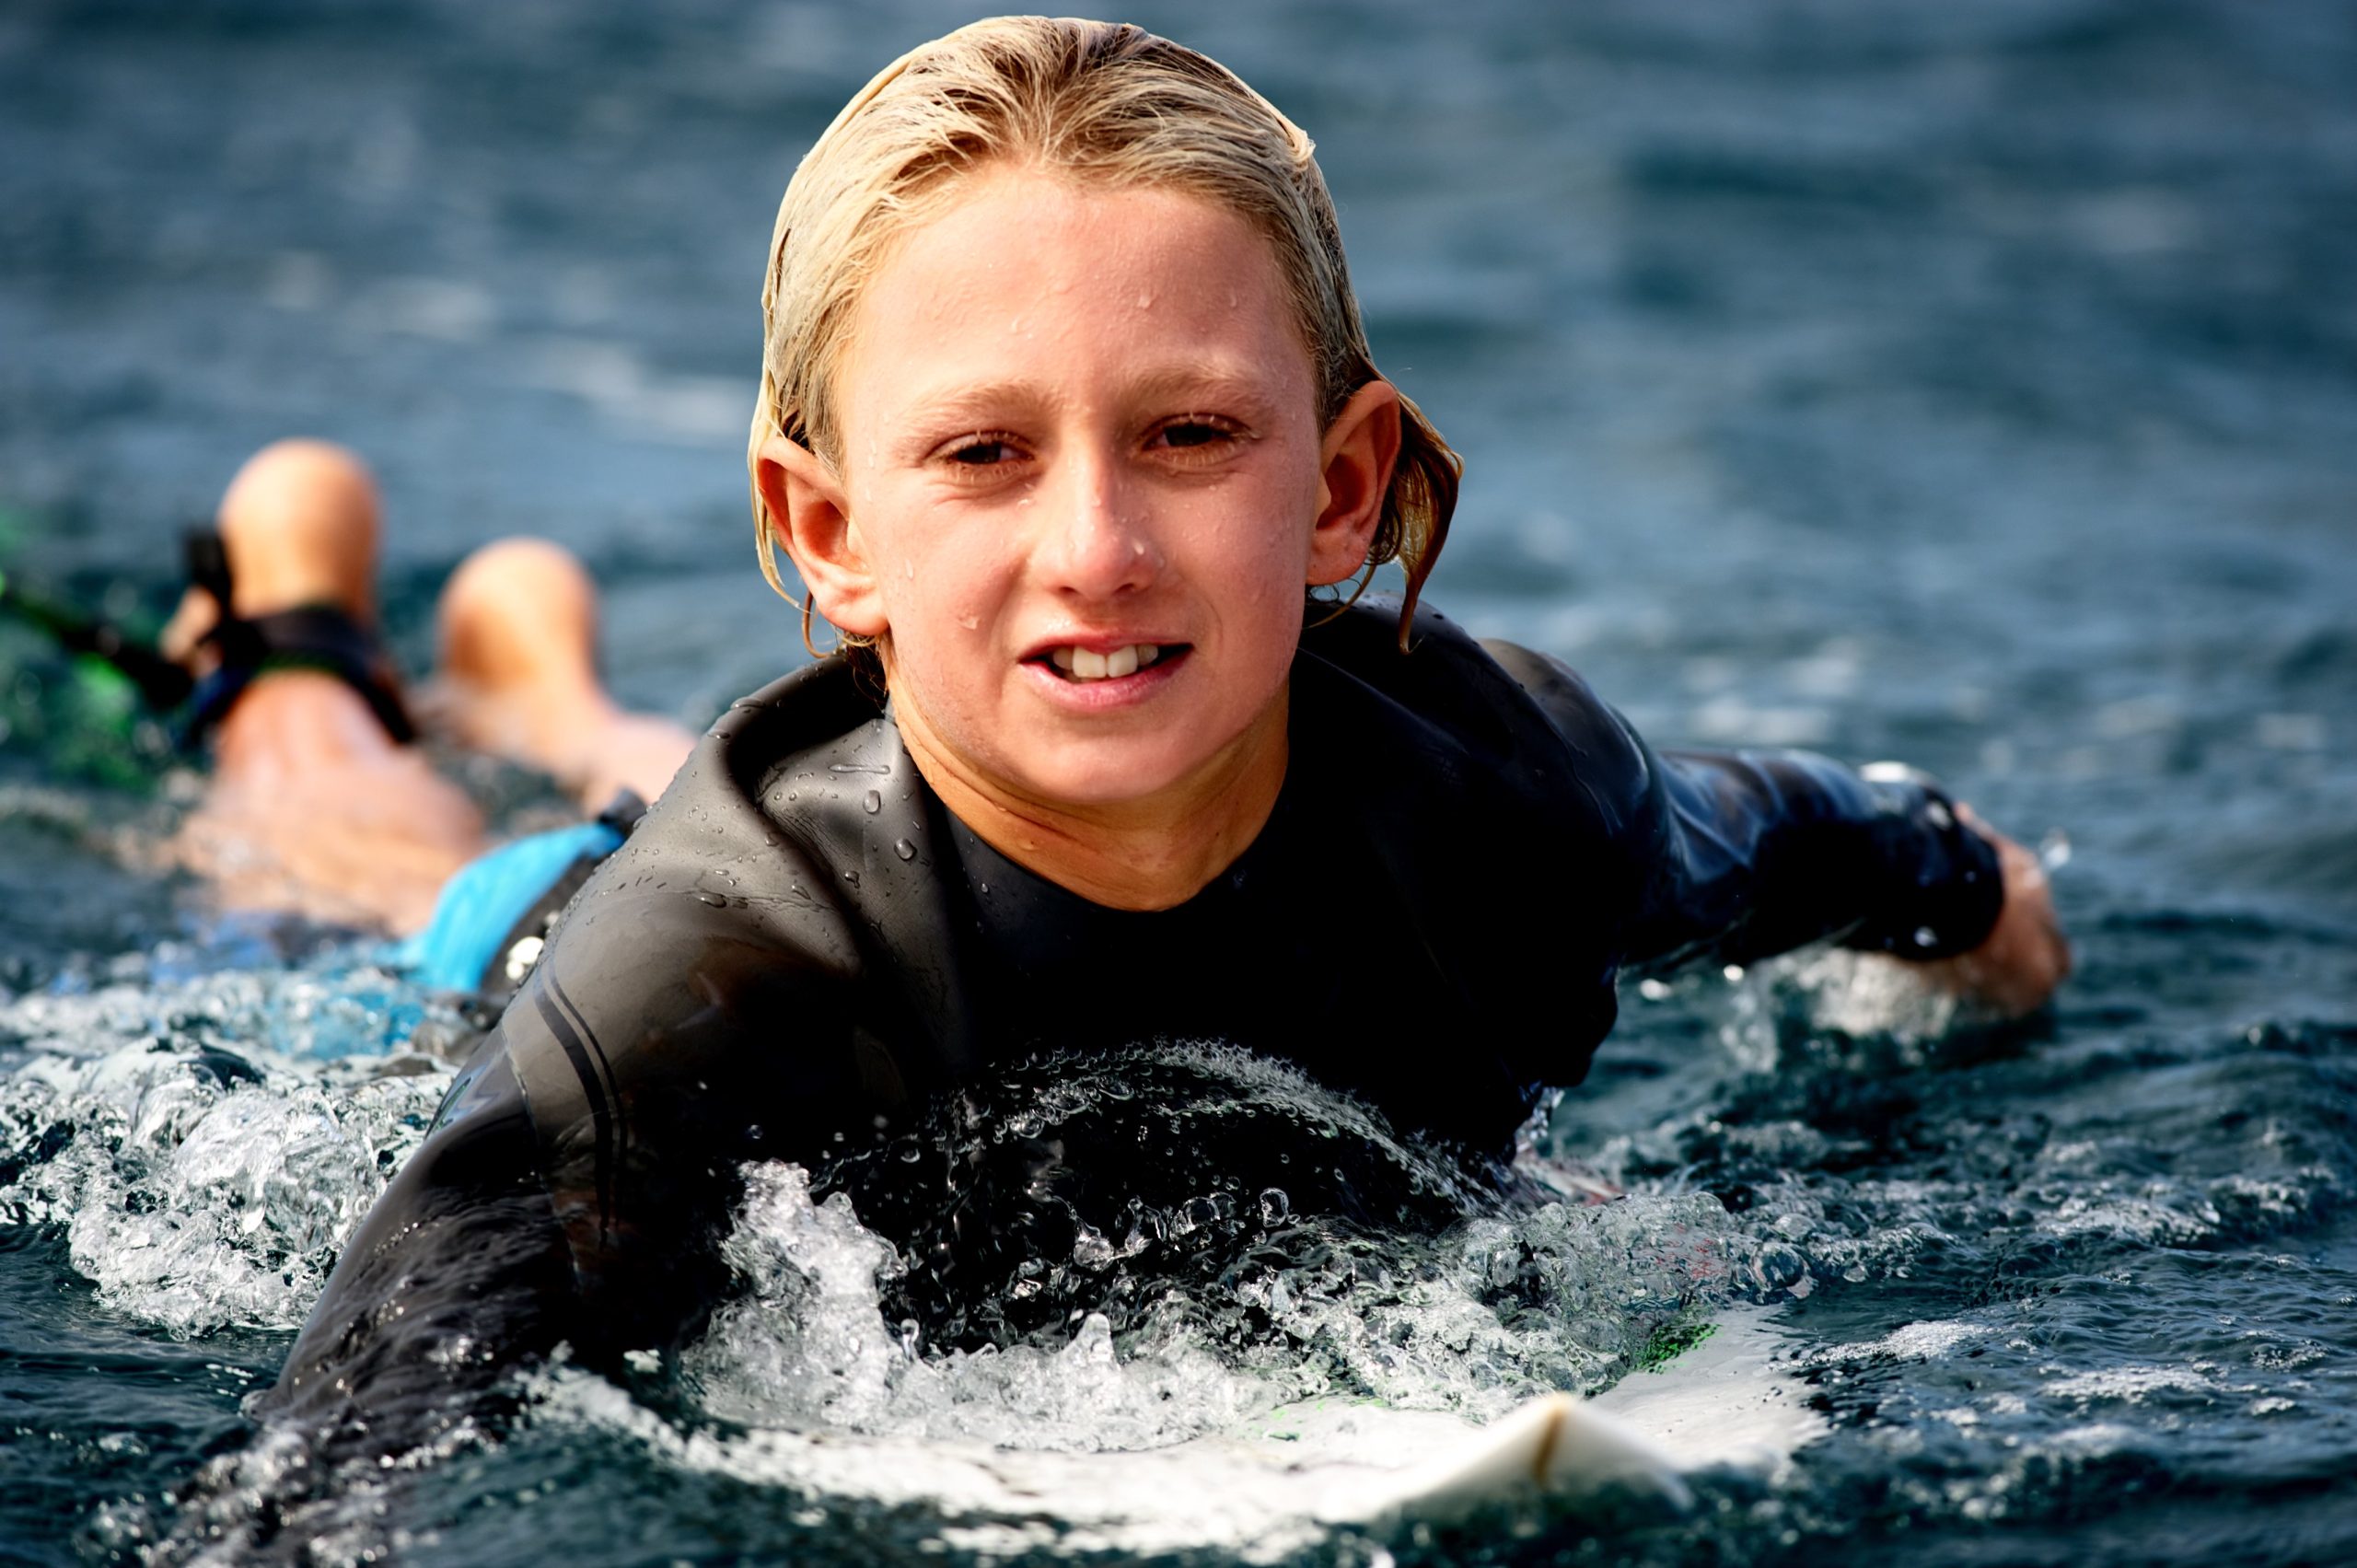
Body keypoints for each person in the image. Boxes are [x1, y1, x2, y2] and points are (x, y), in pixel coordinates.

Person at [263, 17, 2068, 1440]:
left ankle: (539, 673)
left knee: (636, 776)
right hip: (547, 930)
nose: (1098, 552)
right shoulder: (699, 976)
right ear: (831, 533)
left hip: (816, 787)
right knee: (374, 847)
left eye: (1190, 435)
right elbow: (339, 1445)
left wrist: (1960, 888)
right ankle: (304, 624)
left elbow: (1797, 837)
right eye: (982, 452)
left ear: (1342, 483)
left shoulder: (1500, 792)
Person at [157, 438, 696, 939]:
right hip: (659, 905)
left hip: (408, 943)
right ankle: (562, 719)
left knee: (301, 492)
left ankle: (281, 675)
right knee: (523, 590)